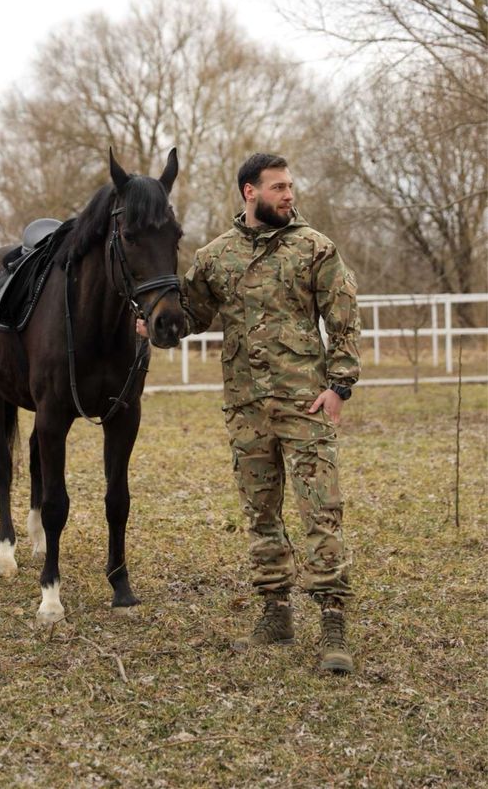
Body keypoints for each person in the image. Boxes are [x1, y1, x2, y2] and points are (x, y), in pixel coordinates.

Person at [140, 153, 360, 673]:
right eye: (278, 187)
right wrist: (157, 327)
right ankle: (275, 615)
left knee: (320, 513)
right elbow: (190, 313)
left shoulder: (315, 249)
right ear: (249, 192)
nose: (289, 195)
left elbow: (344, 318)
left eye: (290, 186)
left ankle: (333, 628)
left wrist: (340, 387)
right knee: (261, 516)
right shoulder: (216, 257)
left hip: (303, 403)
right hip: (245, 409)